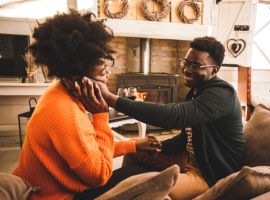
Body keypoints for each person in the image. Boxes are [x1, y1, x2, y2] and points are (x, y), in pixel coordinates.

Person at [13, 10, 160, 200]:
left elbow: (87, 150)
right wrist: (101, 115)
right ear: (79, 80)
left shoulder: (59, 92)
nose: (108, 74)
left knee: (136, 173)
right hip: (55, 196)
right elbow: (99, 175)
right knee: (139, 177)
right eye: (102, 71)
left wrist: (132, 145)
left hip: (47, 189)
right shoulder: (65, 112)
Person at [80, 36, 245, 199]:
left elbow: (174, 116)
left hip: (208, 174)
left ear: (214, 70)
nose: (187, 70)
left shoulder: (222, 94)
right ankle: (117, 189)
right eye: (186, 63)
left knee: (150, 186)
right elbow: (188, 137)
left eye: (195, 66)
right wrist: (158, 146)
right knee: (134, 150)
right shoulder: (198, 90)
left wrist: (111, 99)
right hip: (188, 158)